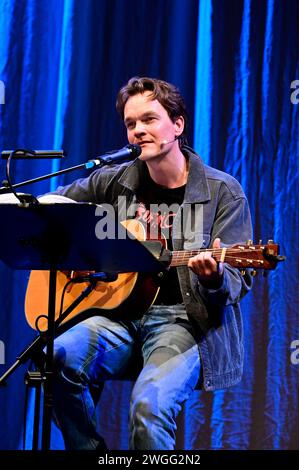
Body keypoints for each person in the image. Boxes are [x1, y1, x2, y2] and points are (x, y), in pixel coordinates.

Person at [51, 76, 253, 450]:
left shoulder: (222, 192)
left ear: (177, 125)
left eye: (149, 119)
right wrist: (79, 255)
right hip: (117, 314)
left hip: (184, 321)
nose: (138, 131)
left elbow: (237, 278)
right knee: (58, 357)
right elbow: (56, 209)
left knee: (148, 406)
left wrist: (215, 279)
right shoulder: (113, 181)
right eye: (131, 124)